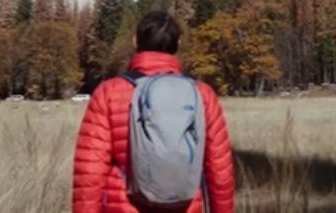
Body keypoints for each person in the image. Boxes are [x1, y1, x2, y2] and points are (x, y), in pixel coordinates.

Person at [72, 11, 234, 212]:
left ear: (135, 42)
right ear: (178, 44)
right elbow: (220, 172)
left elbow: (90, 171)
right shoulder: (202, 94)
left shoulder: (109, 92)